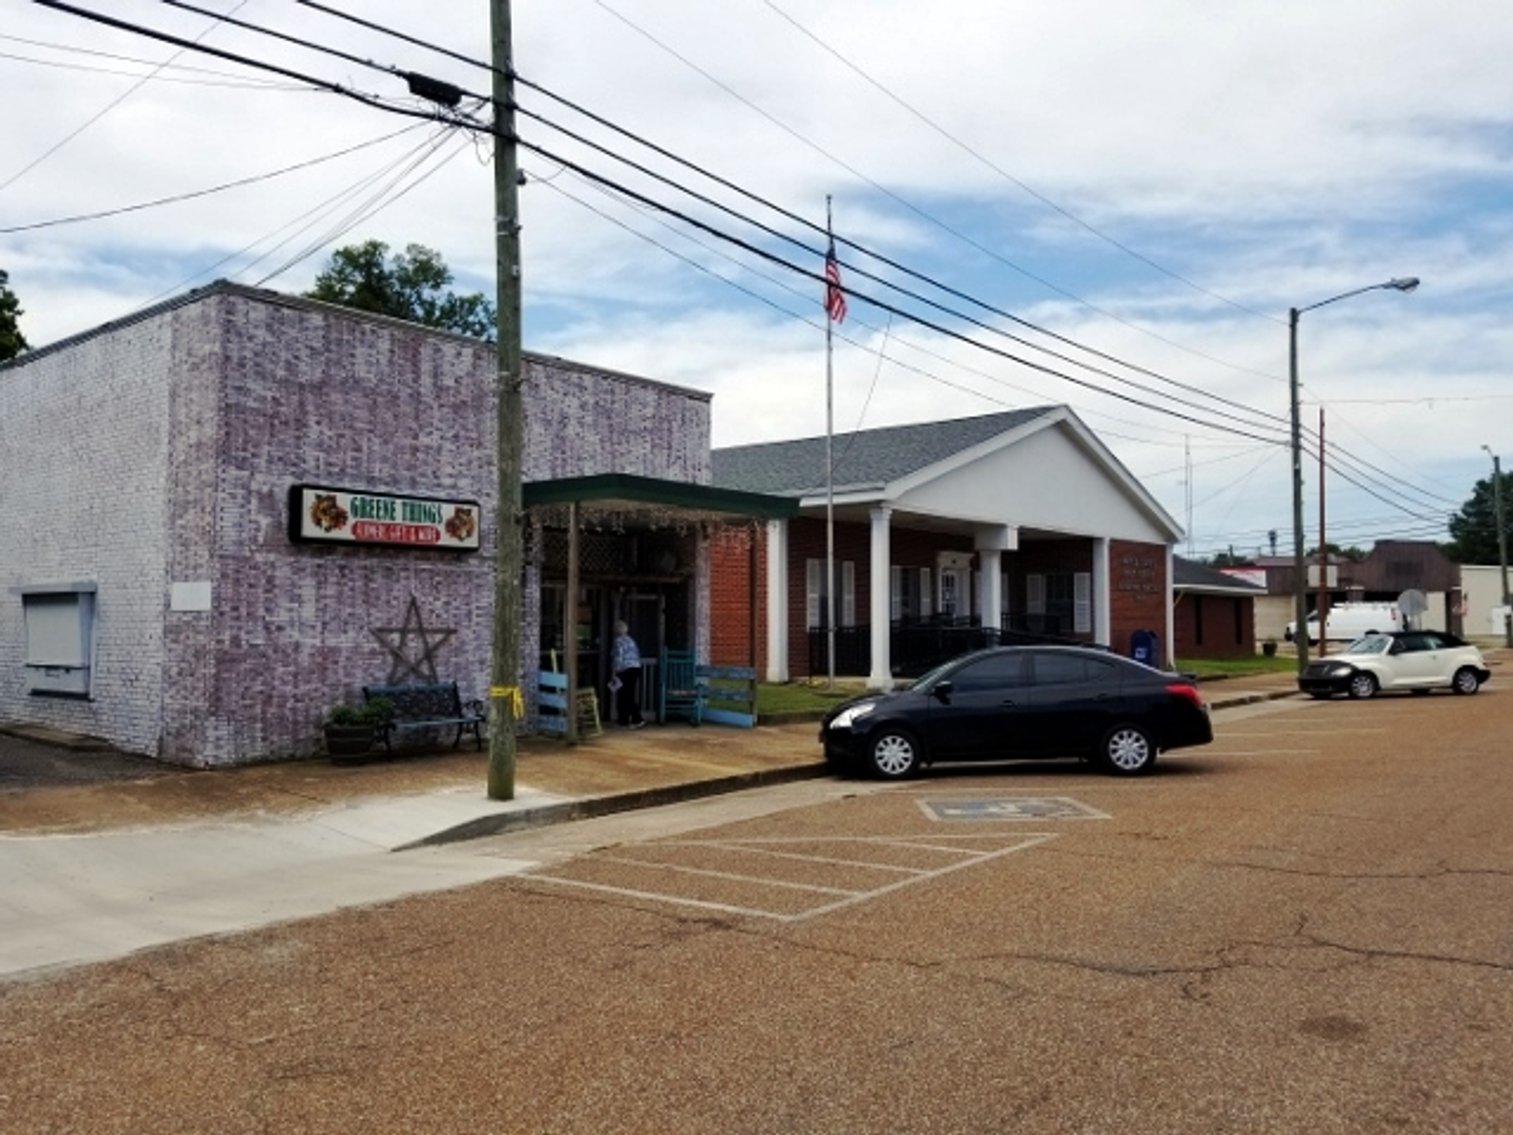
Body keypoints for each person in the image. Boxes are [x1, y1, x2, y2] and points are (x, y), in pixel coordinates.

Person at [611, 619, 645, 728]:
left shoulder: (618, 641)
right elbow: (637, 654)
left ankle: (637, 719)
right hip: (636, 668)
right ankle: (623, 720)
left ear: (616, 630)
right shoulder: (631, 640)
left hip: (625, 669)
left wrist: (614, 672)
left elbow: (618, 658)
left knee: (625, 695)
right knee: (627, 694)